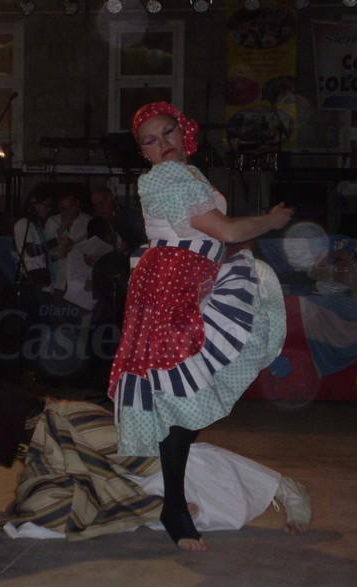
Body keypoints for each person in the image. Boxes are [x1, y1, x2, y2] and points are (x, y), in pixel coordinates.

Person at [0, 355, 310, 540]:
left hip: (66, 425)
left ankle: (278, 486)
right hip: (45, 453)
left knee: (160, 459)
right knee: (36, 525)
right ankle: (163, 505)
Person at [108, 101, 295, 551]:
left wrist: (237, 242)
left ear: (183, 132)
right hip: (171, 288)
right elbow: (225, 231)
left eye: (168, 132)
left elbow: (219, 237)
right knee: (181, 399)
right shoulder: (167, 177)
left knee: (183, 400)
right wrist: (269, 220)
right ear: (144, 154)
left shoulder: (188, 177)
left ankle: (172, 501)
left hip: (187, 282)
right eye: (150, 141)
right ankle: (173, 506)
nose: (163, 144)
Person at [44, 183, 93, 295]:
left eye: (70, 208)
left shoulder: (88, 222)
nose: (66, 212)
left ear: (77, 204)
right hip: (58, 280)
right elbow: (47, 252)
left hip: (80, 281)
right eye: (63, 209)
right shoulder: (52, 222)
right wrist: (61, 229)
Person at [90, 186, 147, 255]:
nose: (100, 208)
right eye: (96, 206)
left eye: (102, 203)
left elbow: (145, 243)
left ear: (110, 198)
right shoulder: (97, 224)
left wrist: (129, 246)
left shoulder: (131, 218)